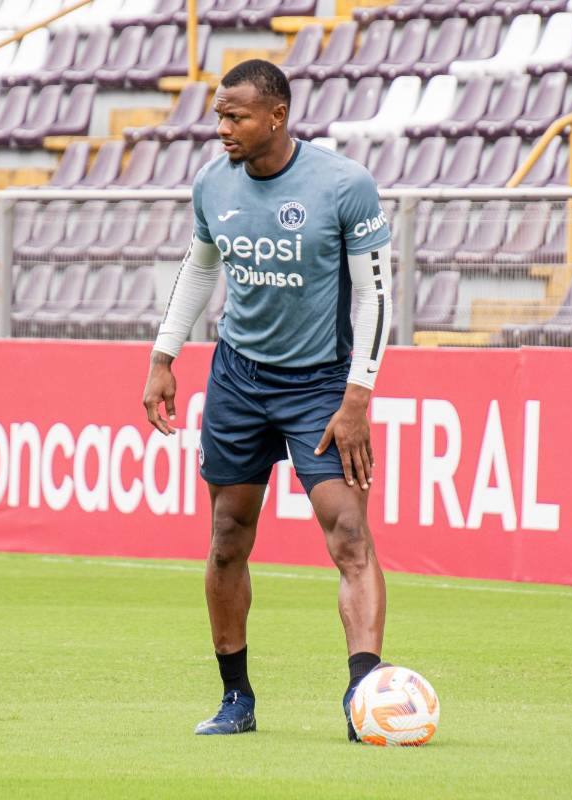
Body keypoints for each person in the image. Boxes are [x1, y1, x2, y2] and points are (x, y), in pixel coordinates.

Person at [142, 59, 394, 741]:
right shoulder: (211, 184)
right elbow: (200, 269)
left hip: (318, 385)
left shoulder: (343, 185)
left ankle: (363, 697)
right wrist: (166, 356)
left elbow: (375, 295)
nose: (222, 128)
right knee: (226, 536)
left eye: (236, 116)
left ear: (275, 117)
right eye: (219, 115)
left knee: (349, 535)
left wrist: (357, 396)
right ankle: (235, 698)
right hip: (238, 379)